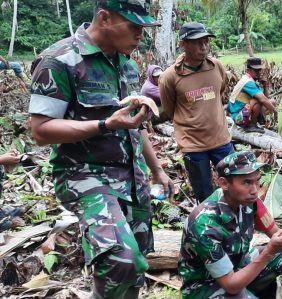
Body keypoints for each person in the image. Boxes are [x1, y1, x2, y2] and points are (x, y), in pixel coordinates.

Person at [28, 1, 174, 298]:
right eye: (134, 26)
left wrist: (157, 169)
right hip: (85, 176)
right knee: (121, 258)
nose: (140, 35)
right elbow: (41, 130)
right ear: (105, 18)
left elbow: (134, 125)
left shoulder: (128, 64)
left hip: (133, 177)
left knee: (137, 267)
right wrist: (105, 125)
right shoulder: (60, 61)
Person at [179, 151, 282, 298]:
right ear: (224, 183)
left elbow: (276, 232)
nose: (255, 190)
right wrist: (269, 251)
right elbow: (231, 286)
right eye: (247, 182)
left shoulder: (250, 203)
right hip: (205, 285)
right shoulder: (205, 224)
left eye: (257, 180)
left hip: (238, 266)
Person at [160, 22, 233, 203]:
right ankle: (211, 229)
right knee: (205, 194)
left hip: (221, 140)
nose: (203, 47)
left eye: (205, 41)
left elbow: (220, 91)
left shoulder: (216, 67)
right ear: (183, 44)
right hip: (193, 145)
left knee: (235, 184)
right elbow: (170, 109)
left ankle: (235, 223)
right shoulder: (170, 77)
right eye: (197, 42)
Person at [228, 57, 278, 133]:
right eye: (256, 70)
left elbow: (265, 99)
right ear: (248, 70)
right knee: (257, 101)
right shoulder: (248, 82)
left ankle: (257, 122)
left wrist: (265, 85)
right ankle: (252, 125)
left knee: (272, 102)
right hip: (237, 117)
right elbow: (262, 100)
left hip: (244, 113)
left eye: (259, 70)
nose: (259, 72)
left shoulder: (250, 80)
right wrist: (275, 112)